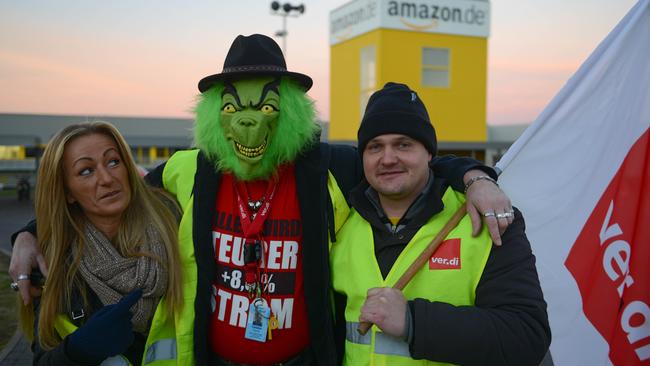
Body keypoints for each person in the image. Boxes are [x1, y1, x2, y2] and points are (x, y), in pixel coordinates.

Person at [10, 34, 514, 365]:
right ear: (215, 114)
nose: (249, 122)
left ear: (291, 111)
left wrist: (473, 175)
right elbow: (106, 193)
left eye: (266, 106)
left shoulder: (325, 167)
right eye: (234, 107)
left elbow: (398, 162)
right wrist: (30, 232)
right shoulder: (191, 168)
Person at [330, 82, 551, 365]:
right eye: (375, 147)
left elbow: (526, 336)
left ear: (429, 153)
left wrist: (414, 322)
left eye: (403, 144)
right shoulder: (341, 222)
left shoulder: (486, 218)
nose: (387, 158)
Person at [14, 122, 192, 365]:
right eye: (86, 171)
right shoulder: (53, 262)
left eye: (113, 162)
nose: (107, 179)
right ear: (67, 193)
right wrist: (78, 350)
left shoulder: (177, 222)